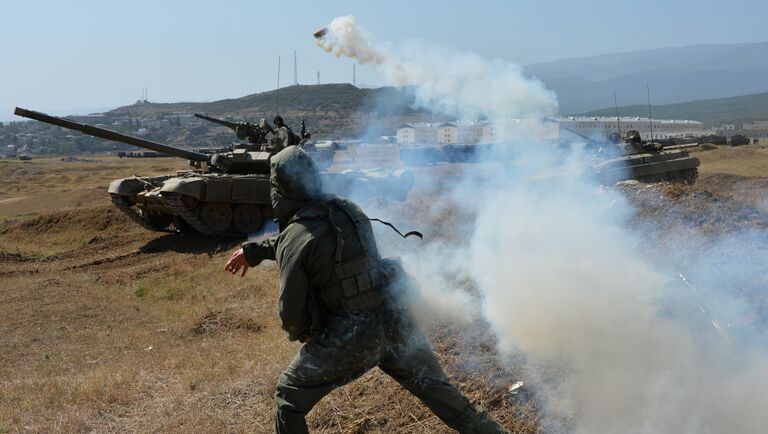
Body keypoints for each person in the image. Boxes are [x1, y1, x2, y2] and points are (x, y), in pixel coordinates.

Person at [224, 146, 508, 433]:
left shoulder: (296, 236)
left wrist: (307, 333)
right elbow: (306, 240)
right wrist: (256, 251)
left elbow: (290, 314)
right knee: (449, 400)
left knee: (288, 395)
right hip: (396, 320)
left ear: (279, 188)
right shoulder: (348, 209)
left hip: (351, 338)